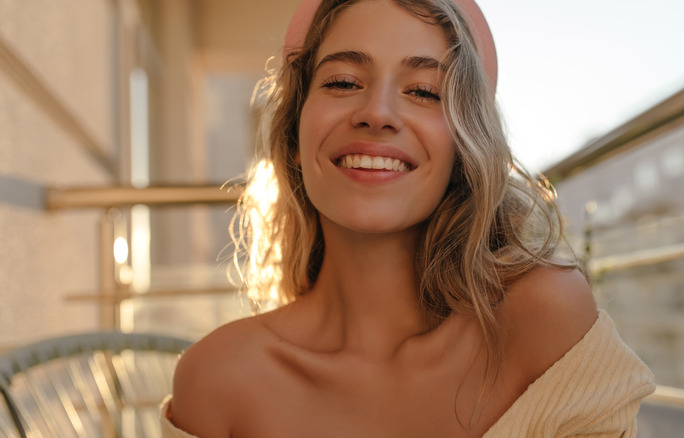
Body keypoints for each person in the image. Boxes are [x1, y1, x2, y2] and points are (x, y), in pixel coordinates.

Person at [160, 0, 655, 436]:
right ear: (293, 138)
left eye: (423, 91)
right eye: (342, 82)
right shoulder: (216, 380)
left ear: (465, 148)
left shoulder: (544, 320)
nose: (376, 112)